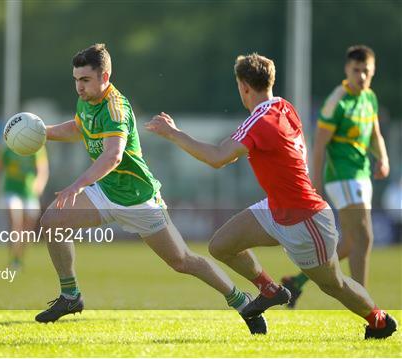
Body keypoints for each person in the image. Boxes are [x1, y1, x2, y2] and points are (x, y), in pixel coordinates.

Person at [145, 53, 397, 339]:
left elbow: (217, 157)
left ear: (244, 87)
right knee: (222, 245)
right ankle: (269, 289)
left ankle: (378, 320)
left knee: (333, 284)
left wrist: (174, 133)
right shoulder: (283, 106)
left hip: (306, 220)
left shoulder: (260, 121)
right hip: (277, 209)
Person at [34, 44, 267, 334]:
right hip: (106, 192)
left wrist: (76, 185)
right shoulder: (87, 101)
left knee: (183, 261)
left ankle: (241, 301)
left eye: (85, 80)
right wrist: (43, 133)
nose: (79, 87)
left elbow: (113, 155)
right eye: (76, 80)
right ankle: (71, 296)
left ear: (105, 76)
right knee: (52, 223)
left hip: (138, 199)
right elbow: (78, 128)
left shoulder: (115, 107)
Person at [282, 45, 390, 307]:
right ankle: (366, 306)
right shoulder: (336, 101)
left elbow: (374, 133)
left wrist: (383, 157)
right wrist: (315, 183)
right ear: (347, 70)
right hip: (342, 176)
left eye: (367, 71)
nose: (362, 76)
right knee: (364, 237)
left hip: (361, 174)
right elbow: (319, 145)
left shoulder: (369, 98)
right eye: (357, 70)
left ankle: (295, 284)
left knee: (350, 243)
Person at [0, 144, 49, 269]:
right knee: (15, 223)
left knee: (28, 228)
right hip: (11, 191)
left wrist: (39, 185)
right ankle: (13, 258)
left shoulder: (35, 147)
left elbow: (43, 170)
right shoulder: (6, 148)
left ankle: (19, 257)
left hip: (29, 192)